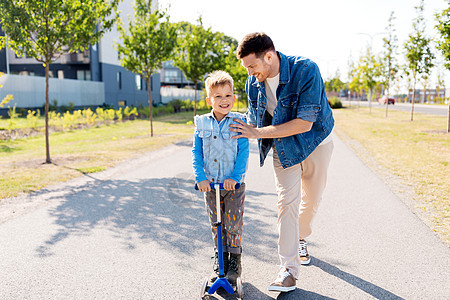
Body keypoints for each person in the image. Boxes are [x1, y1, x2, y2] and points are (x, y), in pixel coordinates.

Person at [230, 32, 334, 292]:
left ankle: (301, 235)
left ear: (269, 56)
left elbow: (304, 123)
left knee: (311, 201)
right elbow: (255, 121)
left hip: (315, 142)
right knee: (286, 204)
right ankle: (288, 269)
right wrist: (226, 122)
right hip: (283, 148)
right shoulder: (253, 82)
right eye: (247, 68)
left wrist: (257, 132)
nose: (251, 73)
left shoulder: (306, 70)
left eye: (252, 66)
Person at [192, 70, 249, 285]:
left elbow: (243, 152)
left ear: (234, 98)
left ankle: (234, 260)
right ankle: (220, 258)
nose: (224, 100)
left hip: (233, 185)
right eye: (218, 96)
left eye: (228, 95)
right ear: (209, 100)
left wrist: (235, 177)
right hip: (210, 185)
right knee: (216, 224)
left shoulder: (239, 121)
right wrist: (200, 177)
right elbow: (196, 152)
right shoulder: (202, 124)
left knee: (233, 224)